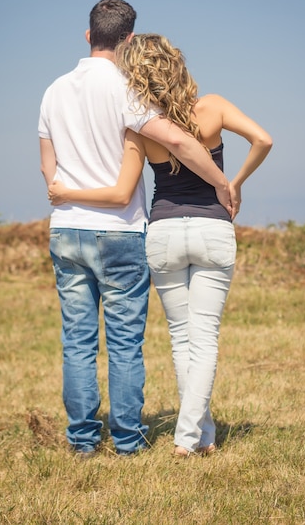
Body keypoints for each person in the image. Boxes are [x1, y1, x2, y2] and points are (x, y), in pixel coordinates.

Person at [48, 33, 273, 458]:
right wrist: (234, 183)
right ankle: (187, 439)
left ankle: (202, 433)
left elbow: (122, 189)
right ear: (180, 67)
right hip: (212, 229)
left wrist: (65, 192)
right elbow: (264, 139)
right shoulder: (213, 107)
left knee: (181, 338)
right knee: (204, 338)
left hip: (164, 233)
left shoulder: (139, 128)